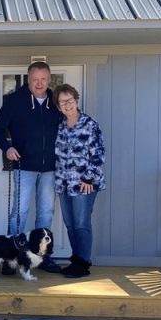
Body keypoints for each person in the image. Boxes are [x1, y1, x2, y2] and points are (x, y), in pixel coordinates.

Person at [0, 61, 63, 273]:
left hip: (51, 168)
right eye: (34, 79)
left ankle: (43, 256)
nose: (39, 83)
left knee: (46, 213)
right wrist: (7, 147)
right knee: (19, 213)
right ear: (28, 79)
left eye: (43, 79)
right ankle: (13, 258)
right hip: (24, 166)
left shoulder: (56, 101)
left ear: (49, 79)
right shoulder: (15, 101)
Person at [53, 84, 105, 278]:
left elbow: (98, 154)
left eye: (70, 101)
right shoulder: (60, 126)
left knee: (81, 223)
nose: (67, 105)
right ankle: (76, 259)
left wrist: (88, 178)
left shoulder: (90, 125)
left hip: (84, 183)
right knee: (70, 223)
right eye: (63, 102)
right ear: (58, 107)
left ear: (76, 101)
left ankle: (83, 263)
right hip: (63, 183)